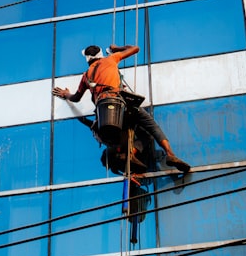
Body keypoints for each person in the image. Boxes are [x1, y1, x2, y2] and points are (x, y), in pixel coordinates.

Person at [52, 44, 190, 174]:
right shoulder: (111, 59)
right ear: (100, 55)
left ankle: (128, 154)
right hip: (120, 103)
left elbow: (76, 97)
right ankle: (169, 154)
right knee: (151, 127)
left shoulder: (86, 76)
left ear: (87, 59)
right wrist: (117, 48)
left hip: (104, 113)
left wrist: (65, 94)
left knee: (125, 132)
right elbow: (135, 48)